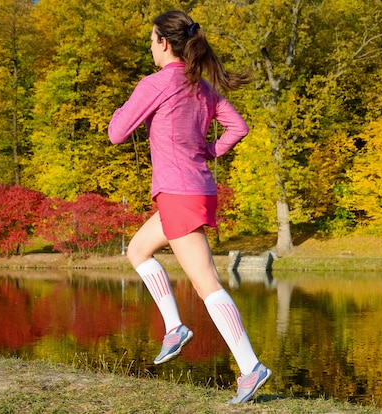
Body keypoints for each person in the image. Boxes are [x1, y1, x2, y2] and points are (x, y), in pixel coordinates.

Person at [107, 10, 271, 404]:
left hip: (178, 192)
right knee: (137, 250)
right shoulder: (204, 87)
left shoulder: (157, 83)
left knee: (206, 283)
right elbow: (239, 127)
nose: (150, 46)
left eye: (151, 40)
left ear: (164, 43)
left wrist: (119, 109)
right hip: (194, 189)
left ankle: (250, 368)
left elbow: (116, 133)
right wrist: (209, 151)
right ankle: (175, 328)